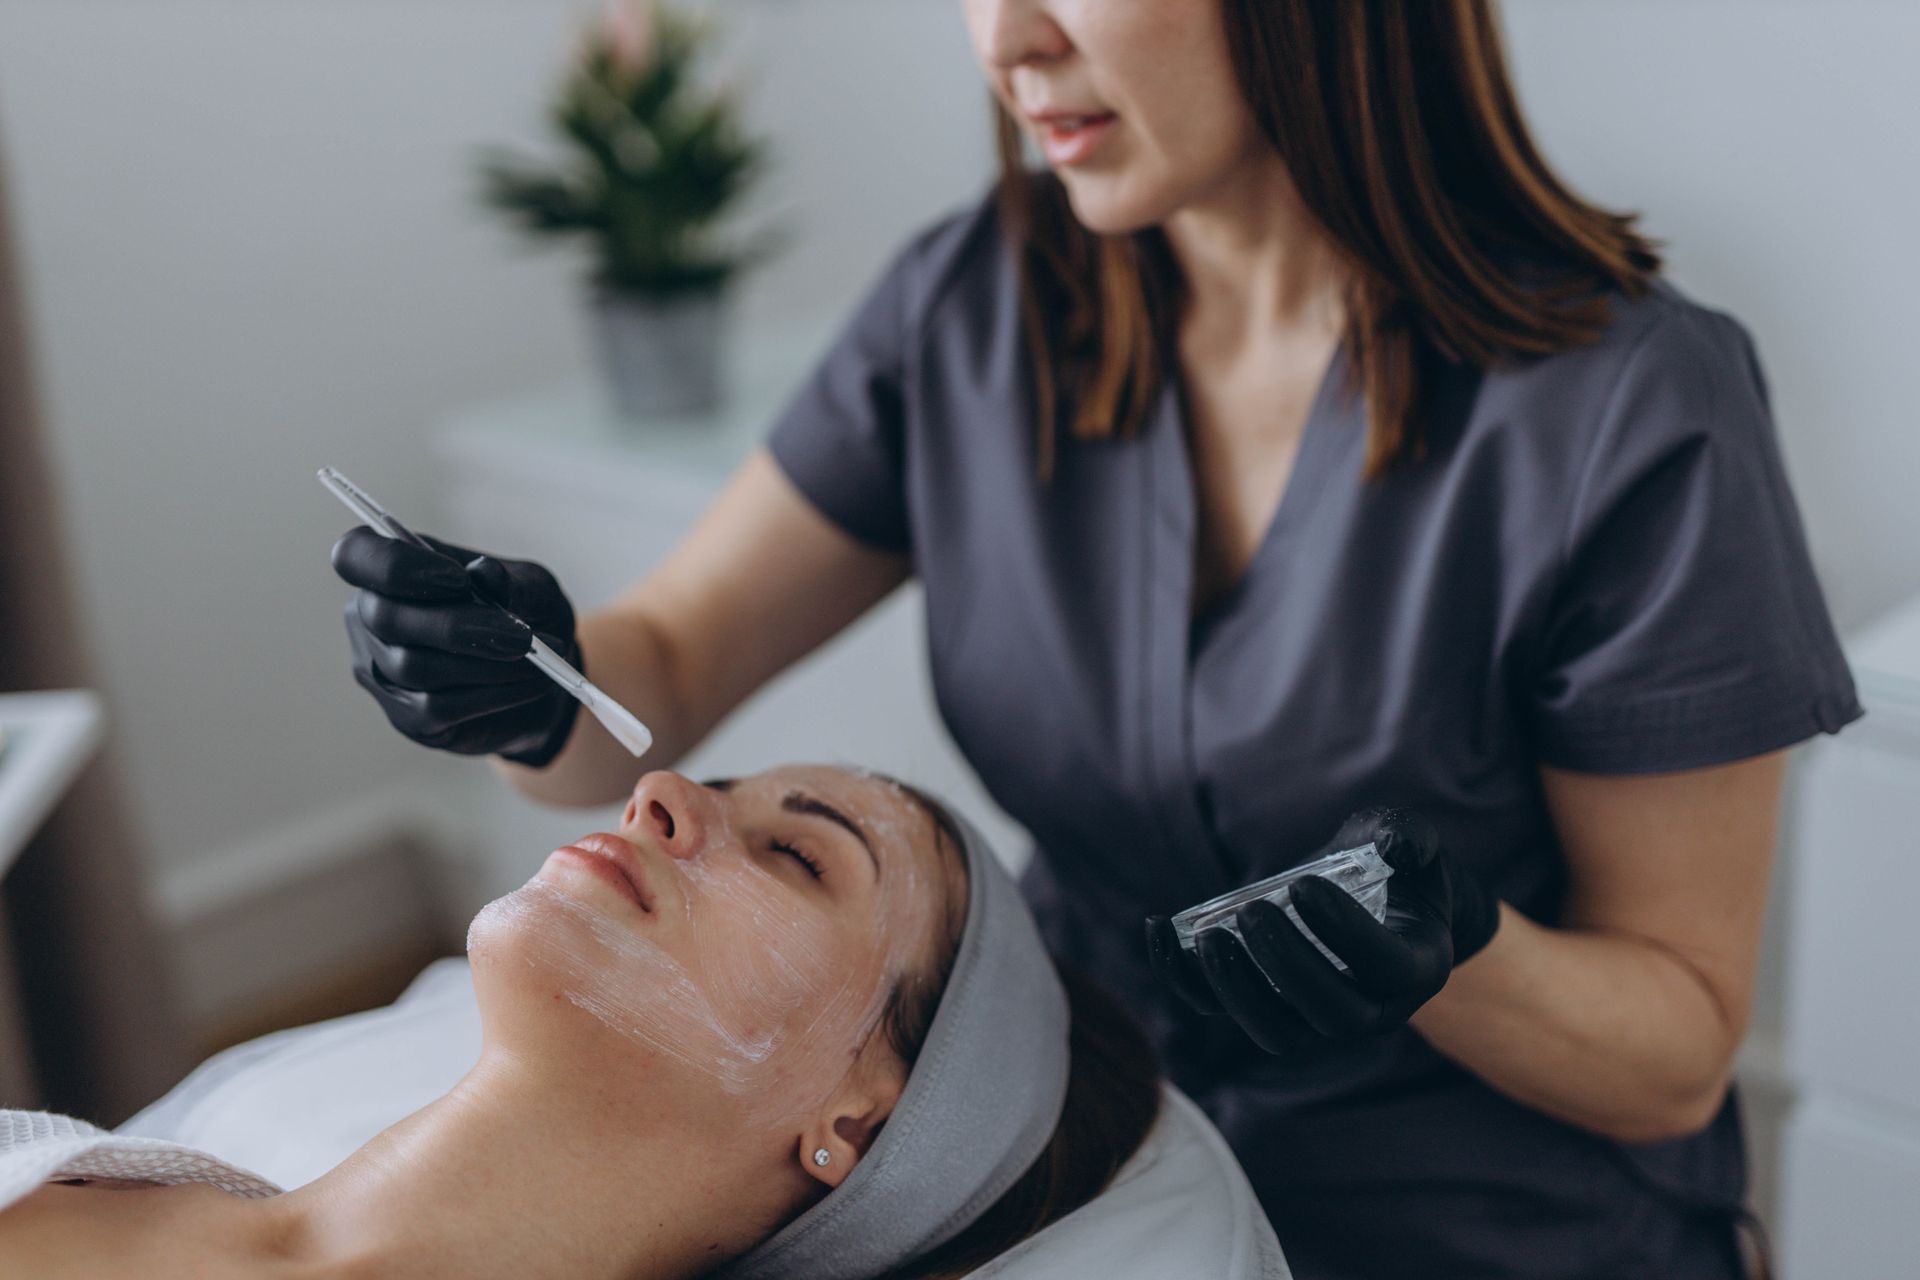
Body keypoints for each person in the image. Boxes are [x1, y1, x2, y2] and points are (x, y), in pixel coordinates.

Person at [327, 2, 1861, 1274]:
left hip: (1483, 1225)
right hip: (1076, 1170)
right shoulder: (979, 302)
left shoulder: (1639, 411)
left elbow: (1676, 1050)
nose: (1008, 43)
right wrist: (516, 687)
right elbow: (658, 668)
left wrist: (1453, 950)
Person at [0, 765, 1159, 1280]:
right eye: (725, 785)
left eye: (799, 854)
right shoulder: (69, 1171)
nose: (661, 792)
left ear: (854, 1122)